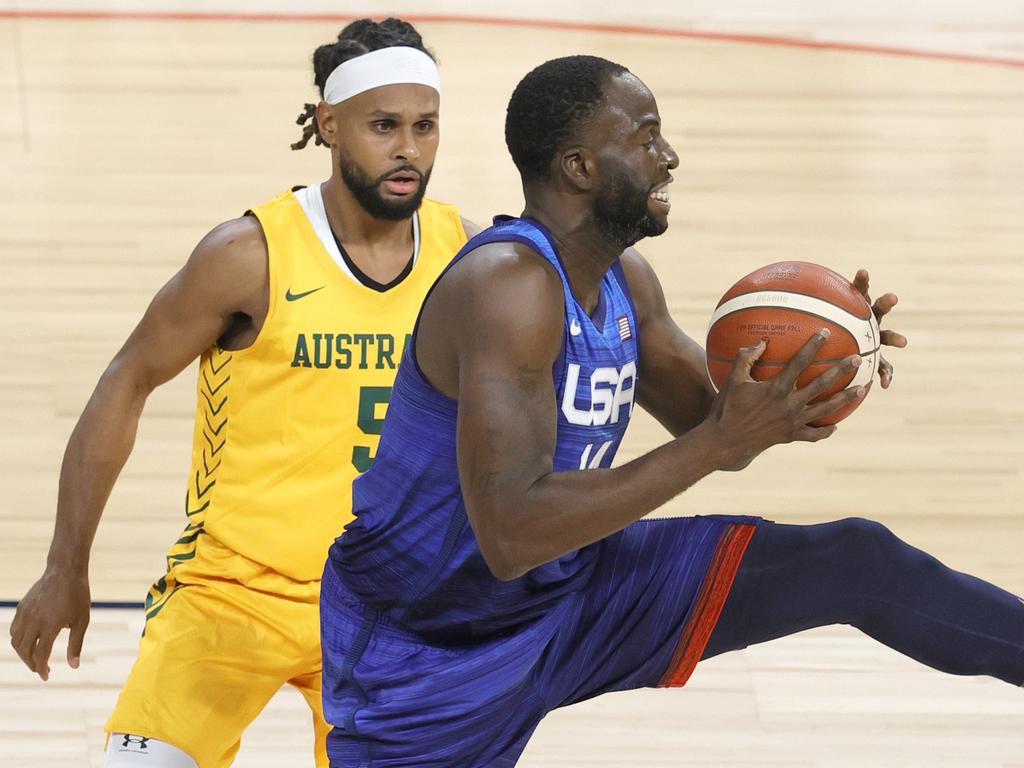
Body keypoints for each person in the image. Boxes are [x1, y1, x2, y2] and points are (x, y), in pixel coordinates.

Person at [318, 55, 1024, 767]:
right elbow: (513, 533)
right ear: (580, 168)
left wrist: (825, 364)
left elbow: (722, 425)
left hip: (570, 588)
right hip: (432, 638)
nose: (669, 157)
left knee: (858, 561)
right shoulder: (506, 286)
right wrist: (719, 440)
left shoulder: (626, 279)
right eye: (646, 138)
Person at [9, 18, 474, 768]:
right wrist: (68, 566)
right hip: (230, 592)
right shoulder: (248, 254)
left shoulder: (469, 261)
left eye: (425, 126)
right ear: (329, 122)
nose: (408, 149)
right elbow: (125, 381)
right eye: (384, 125)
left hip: (385, 609)